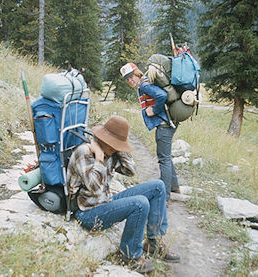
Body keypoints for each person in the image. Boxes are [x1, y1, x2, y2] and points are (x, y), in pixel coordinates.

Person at [67, 115, 180, 274]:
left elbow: (130, 170)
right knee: (140, 204)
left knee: (158, 186)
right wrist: (99, 160)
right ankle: (129, 255)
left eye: (117, 144)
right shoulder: (84, 152)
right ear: (102, 138)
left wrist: (119, 150)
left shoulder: (111, 152)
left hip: (105, 203)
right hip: (88, 213)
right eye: (112, 144)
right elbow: (95, 190)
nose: (114, 148)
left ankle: (153, 242)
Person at [120, 62, 180, 204]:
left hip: (163, 124)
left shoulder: (144, 85)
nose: (130, 81)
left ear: (137, 73)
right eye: (127, 79)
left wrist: (154, 110)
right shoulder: (145, 83)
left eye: (131, 77)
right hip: (167, 123)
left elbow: (161, 96)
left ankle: (164, 197)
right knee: (166, 155)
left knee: (163, 159)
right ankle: (174, 187)